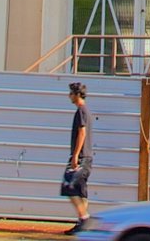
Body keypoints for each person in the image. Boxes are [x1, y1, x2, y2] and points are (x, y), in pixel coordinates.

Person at [62, 81, 92, 233]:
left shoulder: (81, 111)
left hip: (81, 157)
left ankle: (85, 218)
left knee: (69, 186)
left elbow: (82, 133)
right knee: (81, 190)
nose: (69, 96)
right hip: (86, 157)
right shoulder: (85, 111)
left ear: (77, 94)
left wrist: (75, 156)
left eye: (71, 93)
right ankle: (82, 224)